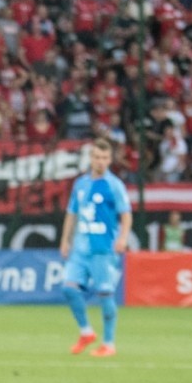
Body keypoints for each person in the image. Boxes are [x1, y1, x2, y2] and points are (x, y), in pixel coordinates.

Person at [59, 138, 132, 358]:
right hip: (80, 248)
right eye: (97, 157)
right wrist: (65, 239)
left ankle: (109, 343)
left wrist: (123, 237)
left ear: (110, 160)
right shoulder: (80, 184)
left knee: (105, 295)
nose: (100, 162)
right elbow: (72, 213)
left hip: (103, 248)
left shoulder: (114, 185)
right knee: (68, 288)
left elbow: (126, 214)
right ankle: (86, 332)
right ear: (90, 158)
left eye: (104, 158)